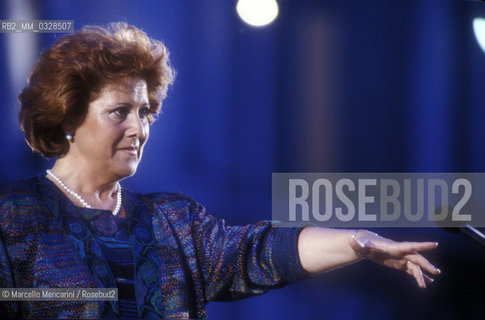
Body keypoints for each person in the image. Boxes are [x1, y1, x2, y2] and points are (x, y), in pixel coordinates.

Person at [0, 22, 440, 319]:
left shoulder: (171, 220)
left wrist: (357, 242)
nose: (139, 128)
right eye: (120, 111)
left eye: (146, 111)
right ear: (67, 117)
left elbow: (258, 251)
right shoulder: (13, 216)